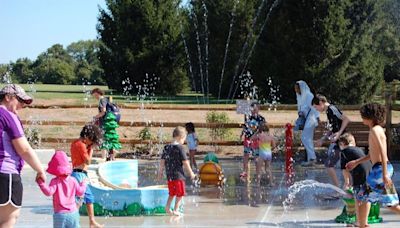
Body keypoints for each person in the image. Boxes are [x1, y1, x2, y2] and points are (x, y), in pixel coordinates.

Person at [346, 103, 400, 228]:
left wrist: (385, 174)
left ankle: (362, 224)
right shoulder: (376, 129)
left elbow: (382, 151)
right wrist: (356, 162)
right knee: (363, 197)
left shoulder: (375, 130)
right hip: (380, 169)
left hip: (381, 169)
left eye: (363, 116)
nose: (362, 118)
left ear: (370, 117)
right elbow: (372, 154)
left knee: (389, 203)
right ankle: (362, 224)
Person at [0, 84, 46, 227]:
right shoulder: (7, 116)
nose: (21, 106)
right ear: (8, 97)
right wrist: (40, 170)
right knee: (8, 219)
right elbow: (24, 149)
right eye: (20, 101)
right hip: (5, 175)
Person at [37, 150, 87, 228]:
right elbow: (80, 192)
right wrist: (83, 183)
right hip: (73, 214)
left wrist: (41, 183)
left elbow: (48, 192)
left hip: (60, 215)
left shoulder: (55, 181)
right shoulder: (73, 180)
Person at [312, 94, 350, 187]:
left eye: (315, 106)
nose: (316, 109)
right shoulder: (329, 111)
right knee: (337, 165)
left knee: (332, 164)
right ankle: (344, 187)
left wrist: (339, 133)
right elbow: (332, 129)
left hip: (344, 141)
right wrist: (322, 139)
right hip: (339, 142)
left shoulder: (332, 109)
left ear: (321, 103)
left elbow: (346, 119)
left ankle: (343, 187)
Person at [70, 124, 103, 228]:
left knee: (88, 198)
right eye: (92, 141)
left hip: (78, 174)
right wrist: (91, 149)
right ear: (88, 137)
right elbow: (88, 161)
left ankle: (91, 221)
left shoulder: (75, 143)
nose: (92, 144)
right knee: (79, 200)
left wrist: (88, 147)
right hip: (80, 175)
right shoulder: (81, 145)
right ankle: (73, 221)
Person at [158, 126, 196, 216]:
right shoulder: (180, 148)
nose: (184, 142)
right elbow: (186, 162)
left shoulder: (166, 147)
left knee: (172, 193)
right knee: (180, 193)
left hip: (169, 175)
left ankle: (167, 207)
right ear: (180, 137)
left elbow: (162, 162)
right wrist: (191, 173)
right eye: (184, 139)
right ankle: (176, 209)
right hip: (179, 176)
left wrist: (160, 173)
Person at [338, 133, 372, 227]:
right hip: (370, 173)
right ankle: (365, 222)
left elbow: (345, 169)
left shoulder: (344, 151)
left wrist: (347, 182)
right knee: (366, 198)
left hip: (360, 175)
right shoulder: (358, 150)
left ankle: (358, 221)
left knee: (358, 199)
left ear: (342, 144)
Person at [294, 81, 319, 167]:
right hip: (305, 118)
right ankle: (310, 159)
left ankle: (312, 158)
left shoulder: (309, 95)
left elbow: (314, 107)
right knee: (307, 138)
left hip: (311, 118)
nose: (296, 90)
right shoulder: (300, 96)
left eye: (297, 88)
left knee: (305, 138)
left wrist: (317, 118)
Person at [91, 88, 120, 161]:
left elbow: (103, 112)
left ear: (97, 93)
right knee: (111, 139)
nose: (94, 97)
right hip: (111, 123)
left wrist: (95, 117)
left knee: (103, 138)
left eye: (94, 95)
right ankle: (112, 156)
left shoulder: (102, 100)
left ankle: (103, 158)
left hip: (105, 123)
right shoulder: (107, 99)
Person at [239, 102, 266, 178]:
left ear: (258, 109)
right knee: (246, 155)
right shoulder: (248, 117)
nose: (253, 110)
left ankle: (258, 172)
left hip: (256, 140)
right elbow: (245, 127)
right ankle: (244, 171)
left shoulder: (261, 119)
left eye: (255, 109)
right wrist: (242, 134)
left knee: (256, 156)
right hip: (247, 139)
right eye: (252, 109)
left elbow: (261, 130)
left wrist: (254, 136)